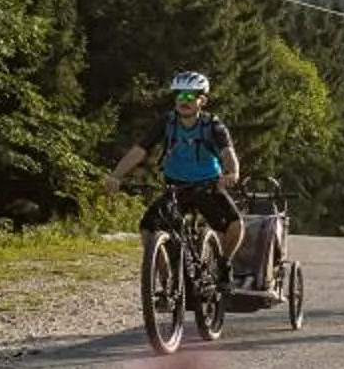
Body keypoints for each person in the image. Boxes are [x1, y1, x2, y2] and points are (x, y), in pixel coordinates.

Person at [103, 70, 242, 268]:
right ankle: (165, 281)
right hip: (175, 187)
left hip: (208, 185)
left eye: (189, 96)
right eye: (179, 96)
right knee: (147, 229)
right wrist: (116, 175)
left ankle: (224, 265)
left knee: (235, 225)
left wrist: (232, 172)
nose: (183, 101)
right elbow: (140, 150)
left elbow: (228, 152)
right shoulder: (166, 122)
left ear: (202, 100)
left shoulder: (212, 125)